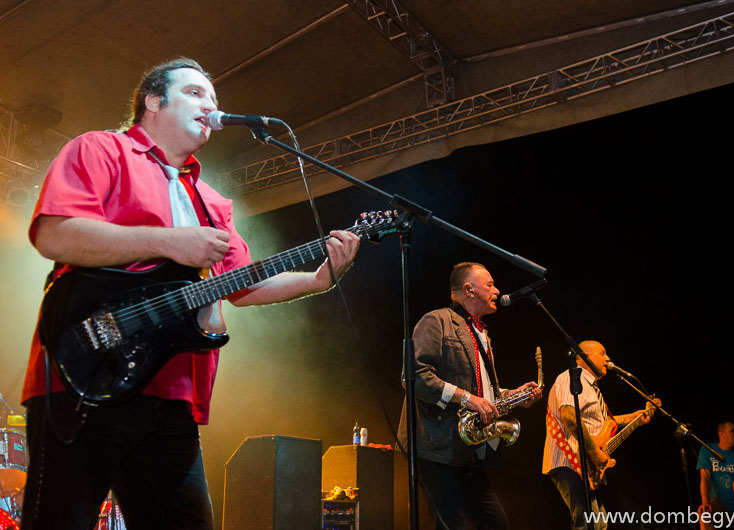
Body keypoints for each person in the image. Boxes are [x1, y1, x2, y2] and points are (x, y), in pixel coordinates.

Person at [20, 57, 360, 530]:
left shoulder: (212, 201)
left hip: (173, 394)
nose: (210, 106)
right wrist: (168, 241)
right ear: (153, 101)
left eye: (214, 98)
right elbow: (54, 234)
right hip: (84, 371)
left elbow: (243, 285)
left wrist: (320, 279)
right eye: (195, 93)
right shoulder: (100, 149)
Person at [397, 262, 542, 529]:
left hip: (465, 448)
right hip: (435, 446)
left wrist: (513, 394)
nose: (497, 291)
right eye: (490, 285)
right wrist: (467, 399)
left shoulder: (480, 333)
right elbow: (415, 377)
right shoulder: (436, 320)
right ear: (469, 289)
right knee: (454, 525)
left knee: (496, 524)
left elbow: (481, 391)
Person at [542, 340, 654, 530]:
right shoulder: (571, 377)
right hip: (570, 459)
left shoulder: (590, 386)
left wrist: (634, 417)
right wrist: (594, 452)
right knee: (588, 522)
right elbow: (569, 415)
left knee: (598, 522)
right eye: (602, 353)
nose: (608, 358)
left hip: (584, 463)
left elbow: (602, 424)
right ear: (585, 357)